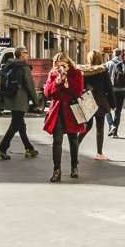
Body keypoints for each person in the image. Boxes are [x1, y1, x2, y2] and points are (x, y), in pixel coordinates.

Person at [43, 52, 90, 182]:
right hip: (57, 110)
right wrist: (57, 82)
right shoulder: (53, 74)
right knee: (57, 141)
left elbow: (77, 92)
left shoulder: (76, 73)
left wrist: (67, 85)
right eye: (57, 66)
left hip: (72, 110)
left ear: (68, 64)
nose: (60, 68)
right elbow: (47, 93)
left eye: (63, 65)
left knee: (73, 140)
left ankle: (74, 166)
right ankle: (56, 170)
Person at [0, 46, 40, 160]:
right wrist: (36, 101)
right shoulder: (24, 67)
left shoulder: (9, 64)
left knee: (20, 124)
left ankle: (29, 148)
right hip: (20, 99)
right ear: (20, 55)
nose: (28, 54)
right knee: (15, 125)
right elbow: (30, 85)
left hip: (11, 97)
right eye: (26, 52)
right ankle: (2, 148)